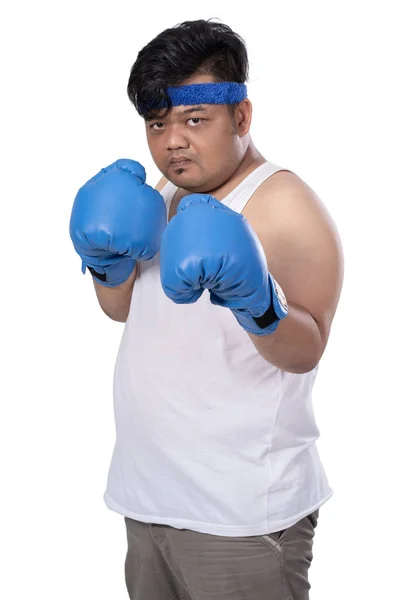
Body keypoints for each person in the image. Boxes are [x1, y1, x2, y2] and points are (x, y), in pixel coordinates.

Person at [70, 18, 344, 600]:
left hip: (242, 515)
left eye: (195, 120)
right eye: (157, 123)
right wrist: (106, 264)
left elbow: (308, 347)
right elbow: (123, 311)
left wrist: (257, 300)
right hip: (148, 498)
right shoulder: (164, 196)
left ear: (241, 117)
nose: (173, 141)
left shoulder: (286, 207)